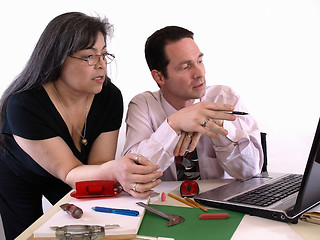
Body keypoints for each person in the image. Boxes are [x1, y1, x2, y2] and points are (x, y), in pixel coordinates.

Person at [0, 12, 162, 240]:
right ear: (57, 59)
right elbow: (68, 171)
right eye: (89, 56)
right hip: (20, 172)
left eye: (104, 54)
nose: (101, 64)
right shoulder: (24, 104)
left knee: (92, 220)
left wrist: (120, 173)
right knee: (27, 234)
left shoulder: (109, 96)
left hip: (77, 170)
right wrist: (116, 170)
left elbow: (98, 166)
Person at [122, 26, 263, 181]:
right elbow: (133, 174)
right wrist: (173, 125)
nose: (200, 73)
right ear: (159, 77)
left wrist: (221, 128)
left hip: (219, 202)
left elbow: (251, 171)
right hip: (165, 201)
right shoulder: (143, 106)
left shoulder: (226, 99)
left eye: (200, 61)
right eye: (186, 67)